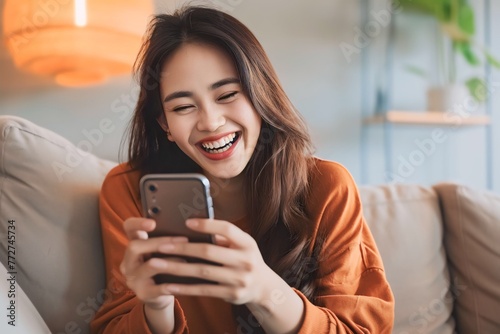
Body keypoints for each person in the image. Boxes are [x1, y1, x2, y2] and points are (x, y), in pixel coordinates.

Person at [91, 5, 394, 334]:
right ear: (164, 123)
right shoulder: (129, 190)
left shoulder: (326, 187)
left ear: (260, 95)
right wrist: (156, 306)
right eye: (182, 106)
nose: (210, 122)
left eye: (228, 94)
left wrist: (266, 291)